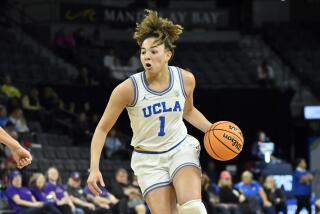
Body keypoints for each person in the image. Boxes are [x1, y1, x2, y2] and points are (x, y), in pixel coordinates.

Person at [87, 9, 212, 214]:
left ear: (167, 55)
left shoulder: (185, 79)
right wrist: (94, 168)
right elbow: (101, 130)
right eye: (143, 51)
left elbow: (188, 112)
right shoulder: (127, 89)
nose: (147, 56)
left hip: (179, 147)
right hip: (148, 159)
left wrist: (212, 129)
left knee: (193, 209)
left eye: (154, 51)